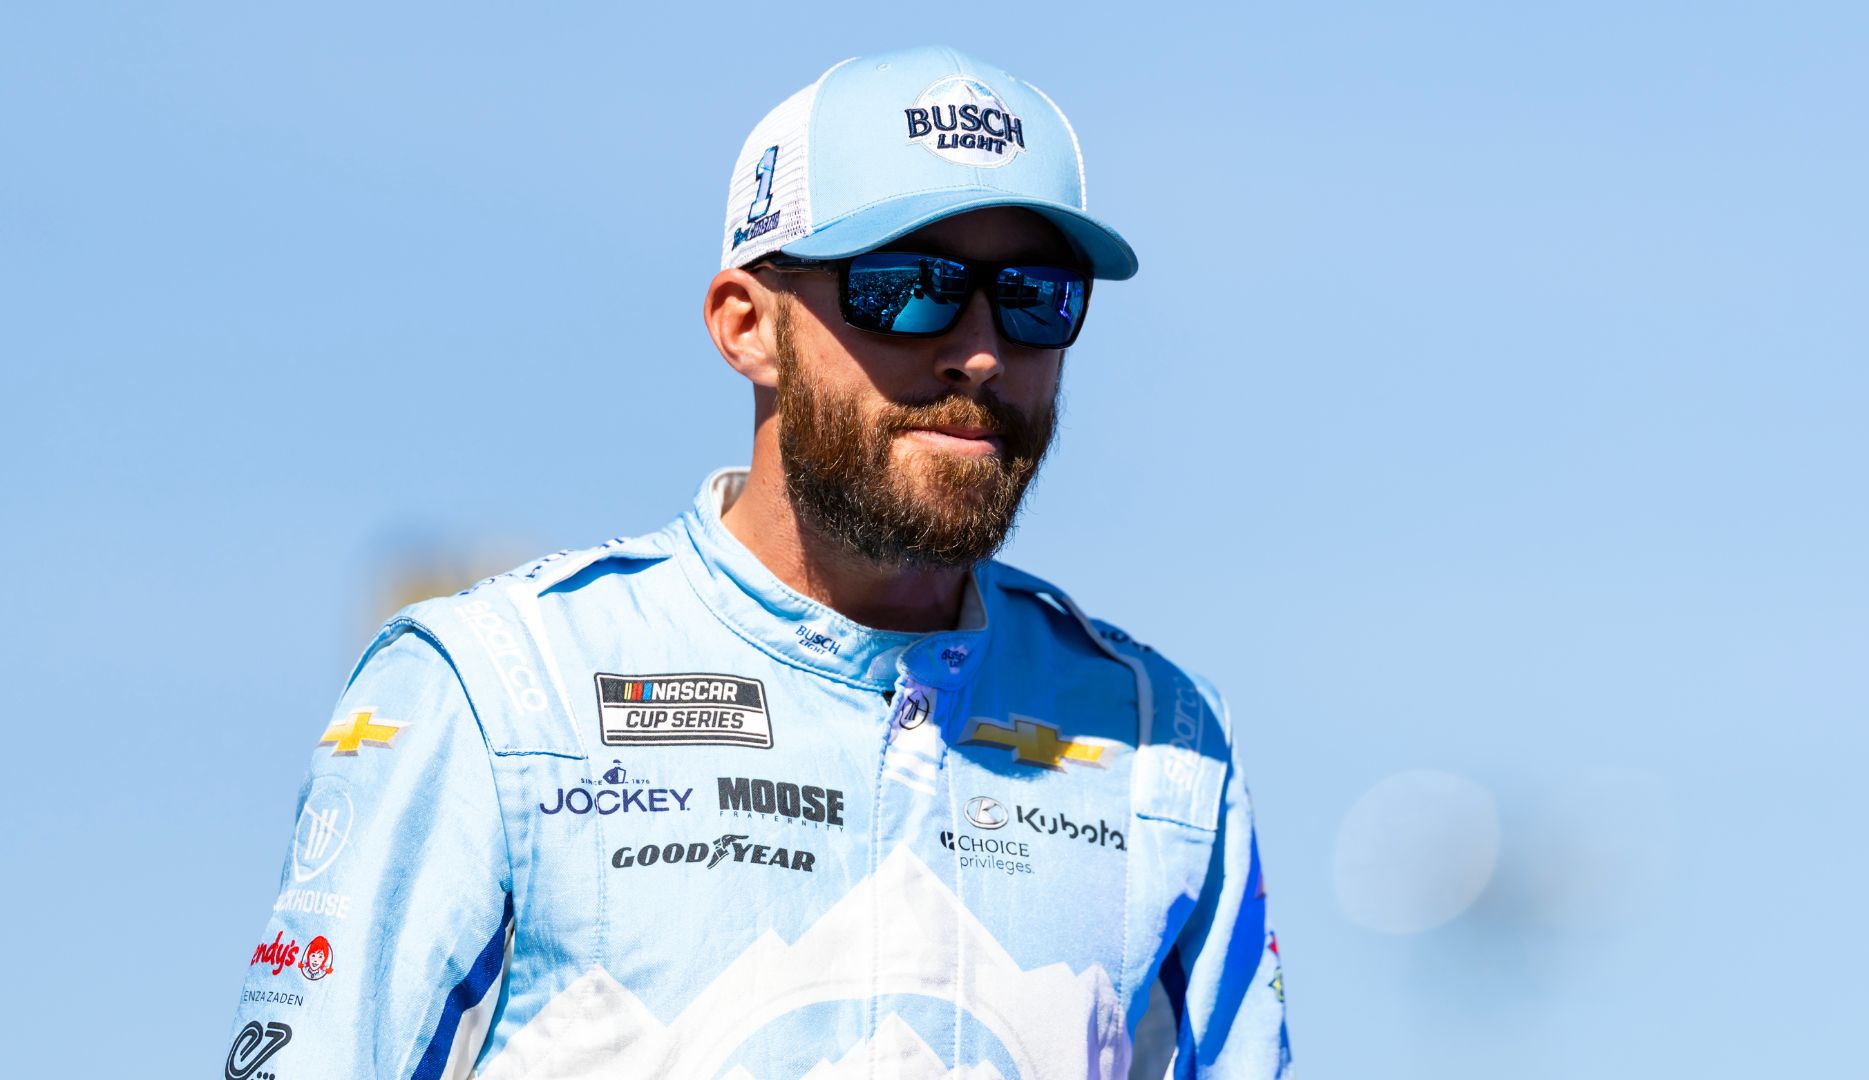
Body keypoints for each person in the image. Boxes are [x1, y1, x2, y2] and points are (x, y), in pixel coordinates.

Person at [225, 44, 1292, 1080]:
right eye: (910, 286)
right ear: (747, 326)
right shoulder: (500, 692)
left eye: (1037, 297)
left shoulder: (1165, 746)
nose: (981, 348)